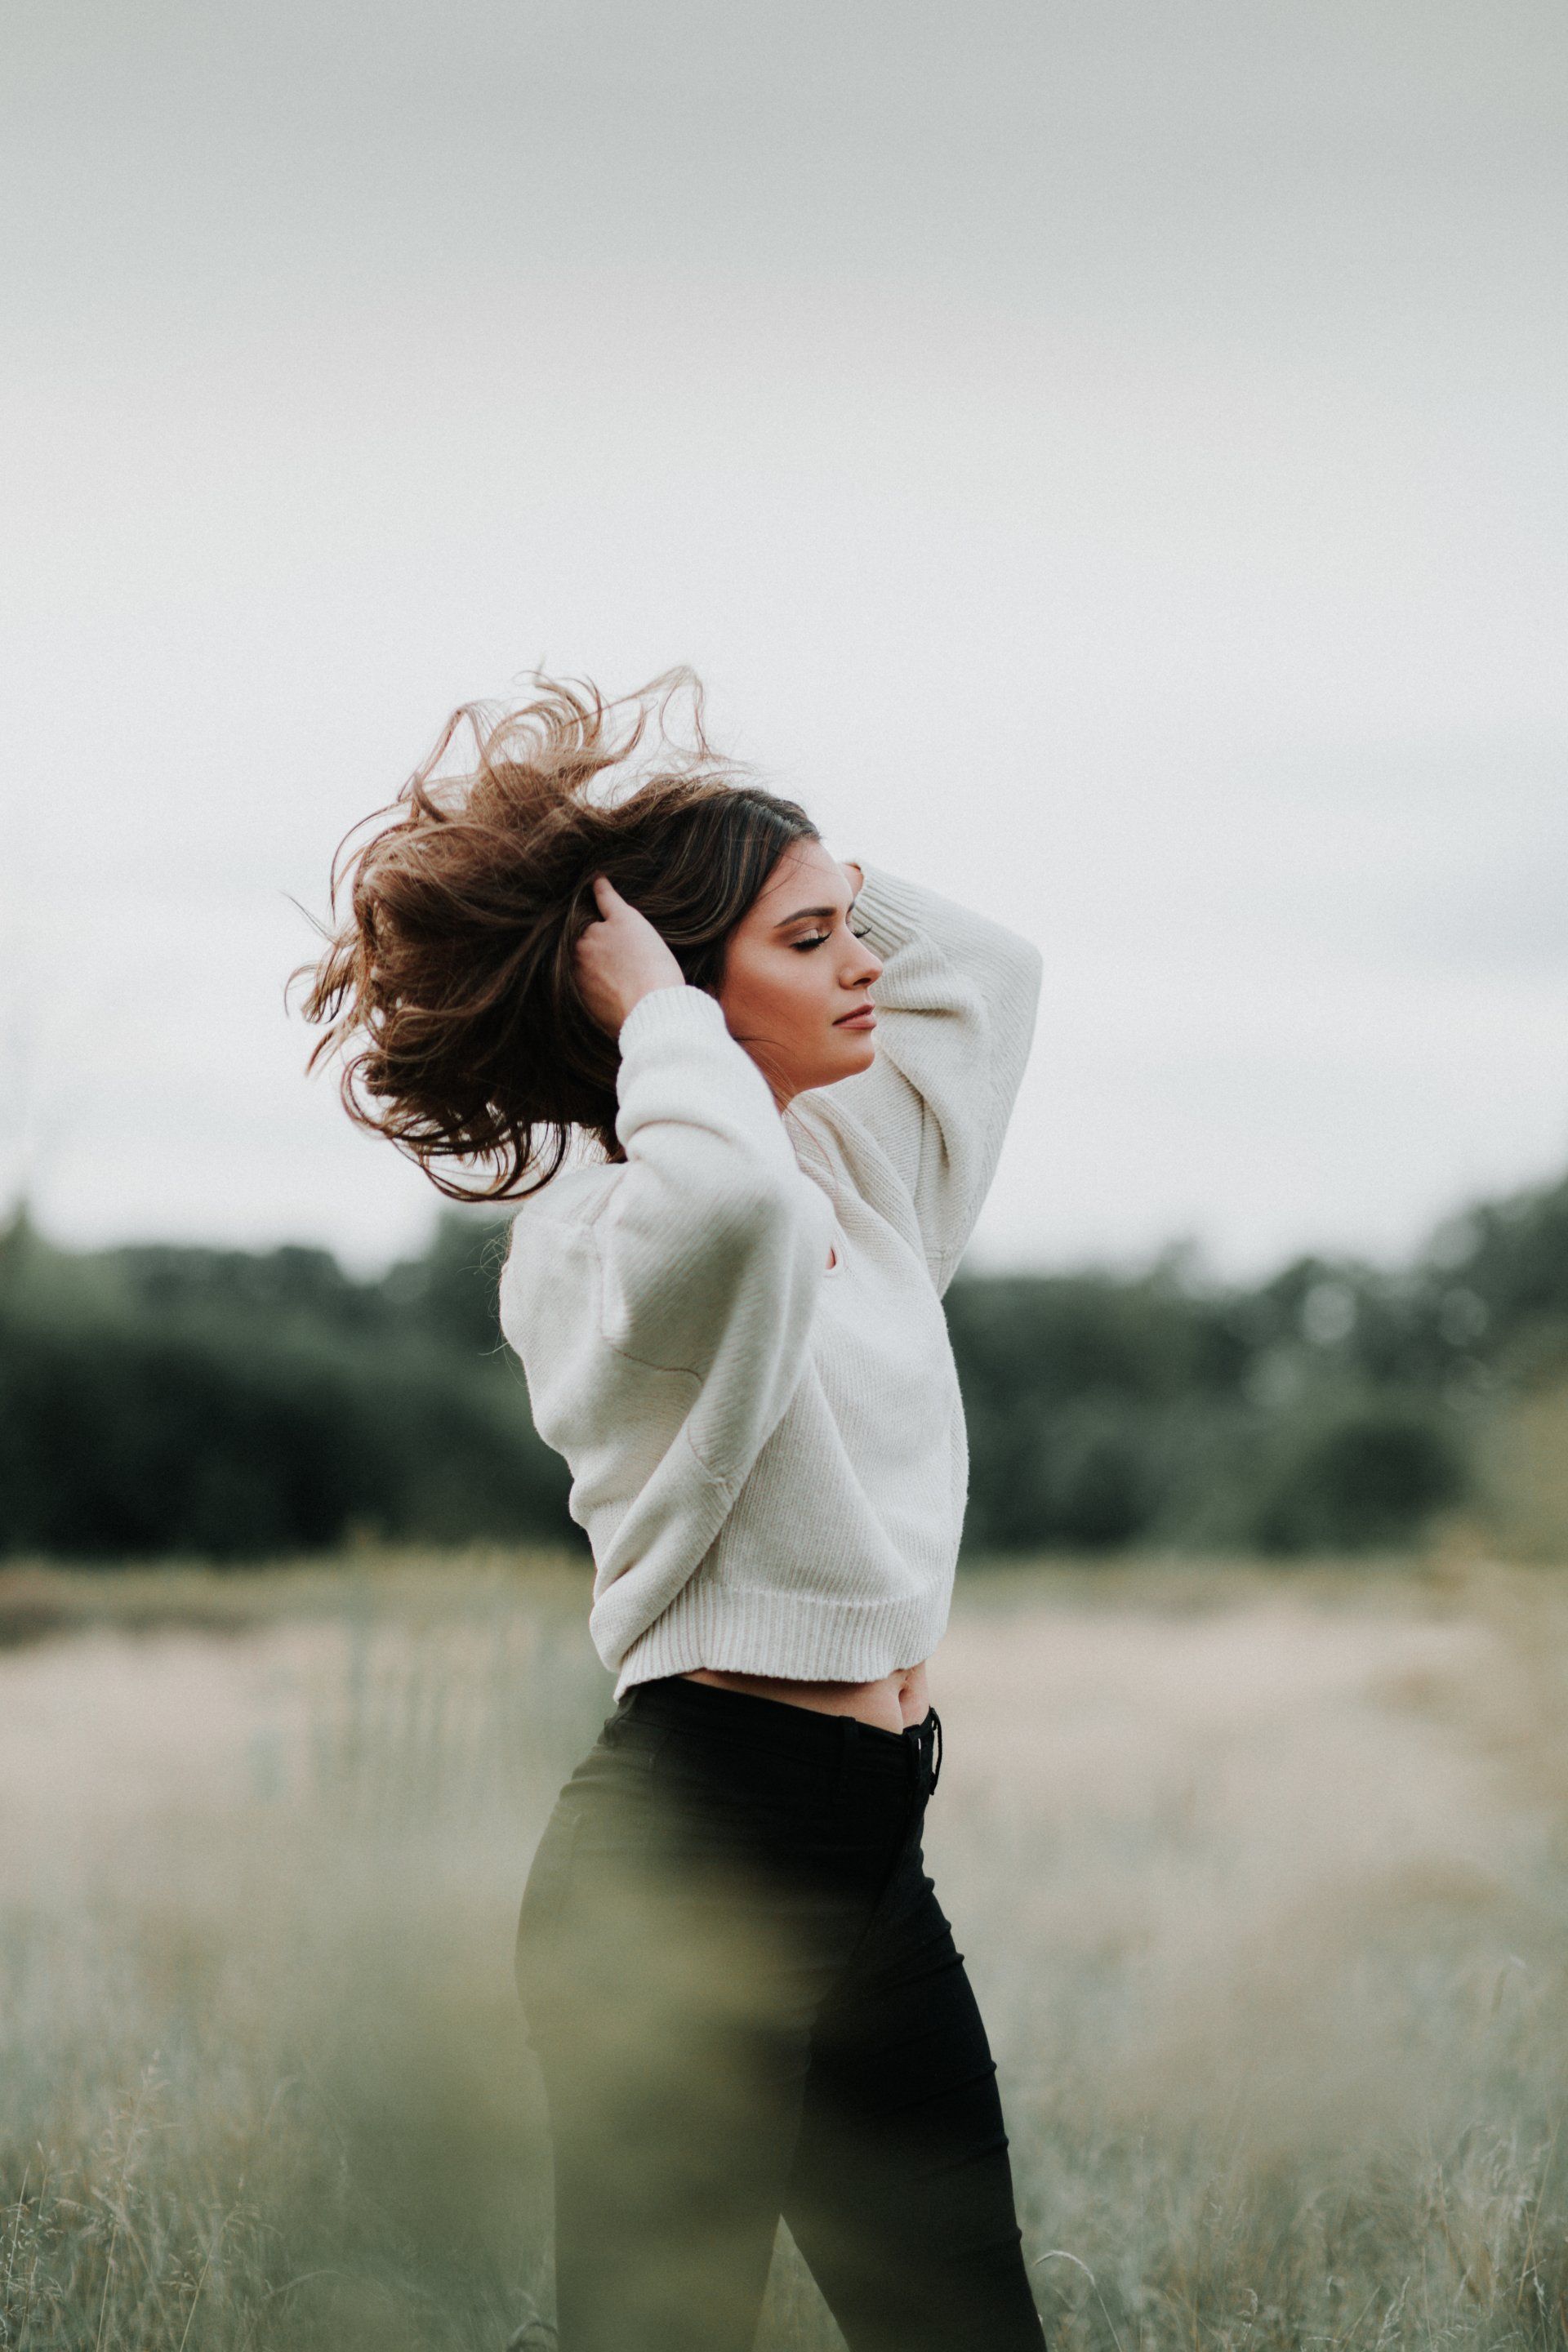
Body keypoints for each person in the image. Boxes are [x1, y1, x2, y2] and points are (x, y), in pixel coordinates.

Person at [297, 670, 1046, 2352]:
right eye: (810, 943)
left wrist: (782, 858)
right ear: (678, 1000)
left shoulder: (853, 1171)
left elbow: (993, 977)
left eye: (851, 931)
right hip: (701, 1841)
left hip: (865, 1848)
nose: (863, 966)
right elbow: (730, 1218)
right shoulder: (610, 1231)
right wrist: (650, 1000)